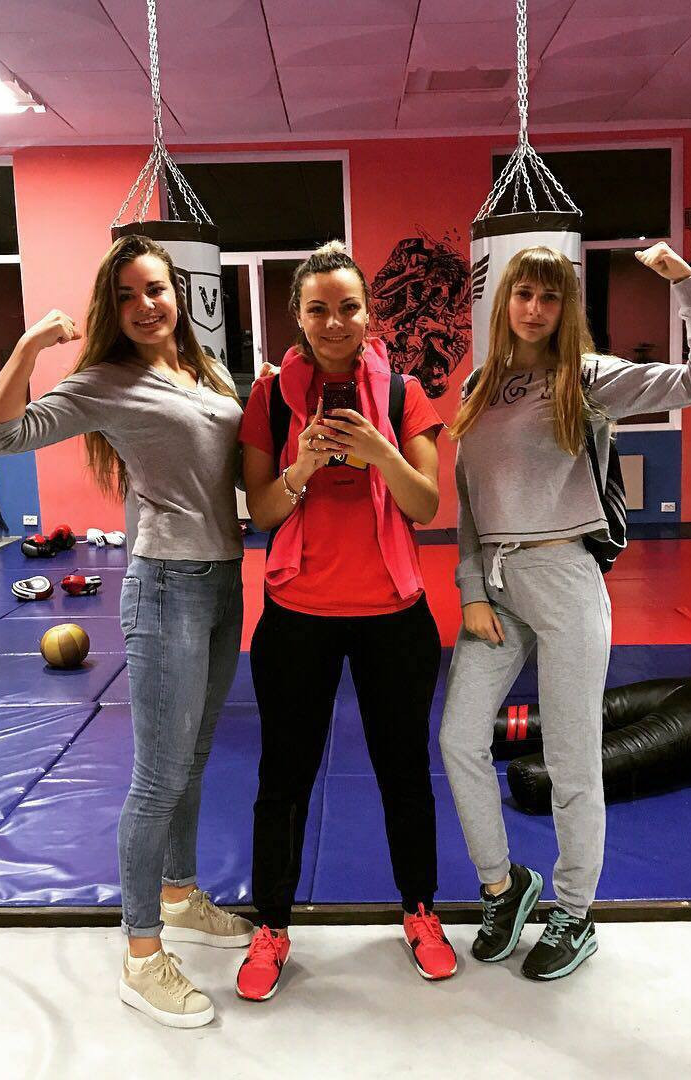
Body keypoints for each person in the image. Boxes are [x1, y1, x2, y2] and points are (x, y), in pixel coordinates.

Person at [0, 234, 253, 1029]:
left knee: (193, 759)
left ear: (178, 294)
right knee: (159, 777)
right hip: (165, 587)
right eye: (126, 295)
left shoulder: (207, 372)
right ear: (111, 309)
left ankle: (180, 894)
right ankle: (140, 955)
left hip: (223, 580)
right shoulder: (107, 381)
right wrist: (31, 345)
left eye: (155, 289)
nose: (145, 305)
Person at [439, 242, 691, 981]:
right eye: (524, 294)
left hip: (565, 580)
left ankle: (574, 912)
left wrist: (688, 287)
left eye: (551, 296)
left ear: (566, 307)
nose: (535, 308)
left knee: (573, 760)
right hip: (496, 588)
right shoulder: (480, 385)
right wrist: (471, 589)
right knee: (458, 740)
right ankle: (504, 888)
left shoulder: (587, 377)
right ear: (504, 301)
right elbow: (469, 502)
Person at [235, 241, 454, 1001]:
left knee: (405, 773)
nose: (335, 322)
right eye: (319, 309)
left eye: (349, 307)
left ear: (369, 313)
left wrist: (379, 451)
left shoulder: (403, 392)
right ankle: (271, 924)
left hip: (394, 616)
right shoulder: (269, 399)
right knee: (284, 778)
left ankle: (420, 911)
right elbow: (262, 512)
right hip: (298, 616)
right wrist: (301, 467)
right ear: (297, 316)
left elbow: (427, 505)